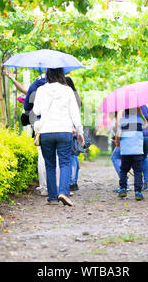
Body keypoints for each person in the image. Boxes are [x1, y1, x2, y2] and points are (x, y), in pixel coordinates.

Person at [33, 68, 84, 206]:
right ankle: (63, 192)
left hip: (46, 131)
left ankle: (53, 198)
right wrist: (80, 132)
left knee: (50, 165)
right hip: (64, 130)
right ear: (61, 74)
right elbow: (75, 113)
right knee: (65, 162)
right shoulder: (67, 90)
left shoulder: (41, 90)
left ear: (47, 75)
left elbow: (36, 110)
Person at [4, 68, 59, 197]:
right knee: (56, 155)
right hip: (57, 123)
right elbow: (24, 90)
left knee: (42, 155)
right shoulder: (60, 84)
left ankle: (45, 187)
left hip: (40, 123)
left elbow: (26, 96)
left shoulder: (38, 83)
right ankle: (57, 187)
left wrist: (11, 78)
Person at [114, 107, 147, 201]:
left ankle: (123, 189)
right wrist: (140, 113)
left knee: (123, 171)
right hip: (137, 151)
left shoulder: (122, 121)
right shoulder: (140, 120)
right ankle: (138, 192)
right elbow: (147, 125)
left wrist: (117, 143)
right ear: (135, 110)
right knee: (137, 172)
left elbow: (118, 135)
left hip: (125, 151)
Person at [65, 76, 82, 192]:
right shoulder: (76, 95)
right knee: (74, 154)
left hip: (71, 125)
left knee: (71, 154)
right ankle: (74, 181)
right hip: (75, 124)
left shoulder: (69, 95)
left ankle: (72, 181)